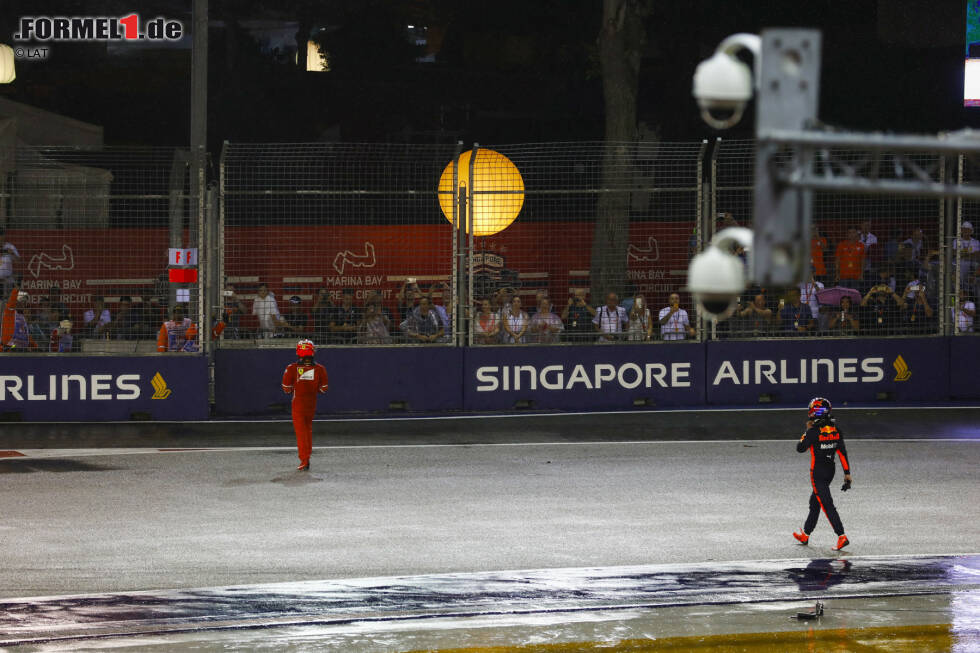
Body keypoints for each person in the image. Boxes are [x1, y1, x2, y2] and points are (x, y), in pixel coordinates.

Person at [793, 397, 852, 552]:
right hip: (830, 472)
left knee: (827, 505)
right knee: (815, 503)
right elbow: (842, 453)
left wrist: (807, 430)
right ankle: (805, 534)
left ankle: (841, 536)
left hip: (817, 474)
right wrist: (847, 474)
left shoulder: (813, 432)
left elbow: (800, 448)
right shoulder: (836, 430)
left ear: (817, 412)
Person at [281, 339, 328, 471]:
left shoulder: (291, 368)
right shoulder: (320, 369)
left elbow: (286, 388)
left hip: (298, 404)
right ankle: (307, 456)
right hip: (311, 403)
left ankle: (304, 459)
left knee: (301, 432)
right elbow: (324, 389)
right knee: (308, 429)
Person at [2, 287, 37, 351]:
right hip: (9, 349)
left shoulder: (22, 317)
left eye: (25, 302)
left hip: (21, 350)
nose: (24, 304)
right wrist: (16, 289)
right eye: (22, 301)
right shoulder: (9, 312)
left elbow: (25, 336)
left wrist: (35, 347)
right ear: (16, 301)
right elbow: (11, 302)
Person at [953, 221, 979, 297]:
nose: (965, 231)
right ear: (961, 230)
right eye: (964, 229)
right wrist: (970, 254)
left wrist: (961, 254)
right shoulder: (956, 241)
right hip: (958, 267)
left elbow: (977, 255)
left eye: (968, 229)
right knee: (955, 286)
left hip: (971, 268)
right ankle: (954, 304)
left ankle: (972, 301)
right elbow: (954, 253)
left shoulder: (976, 242)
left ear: (971, 231)